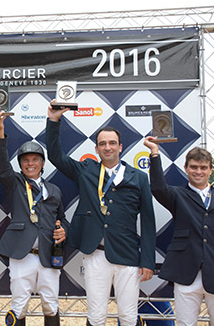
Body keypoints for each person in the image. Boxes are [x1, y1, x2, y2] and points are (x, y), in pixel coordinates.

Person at [45, 101, 156, 326]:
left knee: (127, 316)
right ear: (96, 148)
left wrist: (148, 261)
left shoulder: (138, 177)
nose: (107, 147)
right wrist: (53, 120)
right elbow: (56, 156)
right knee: (96, 316)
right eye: (102, 144)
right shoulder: (86, 171)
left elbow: (149, 221)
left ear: (120, 147)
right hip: (95, 254)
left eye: (112, 143)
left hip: (128, 256)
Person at [143, 137, 214, 325]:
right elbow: (158, 187)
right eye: (193, 167)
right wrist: (154, 152)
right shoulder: (177, 196)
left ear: (211, 170)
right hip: (186, 275)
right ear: (186, 169)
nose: (198, 171)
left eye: (203, 167)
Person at [0, 111, 68, 326]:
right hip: (21, 255)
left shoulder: (55, 190)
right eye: (25, 160)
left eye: (35, 160)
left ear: (42, 163)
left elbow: (62, 219)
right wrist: (0, 130)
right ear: (20, 164)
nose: (30, 164)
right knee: (19, 305)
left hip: (48, 254)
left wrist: (63, 231)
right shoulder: (14, 182)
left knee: (51, 304)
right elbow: (1, 163)